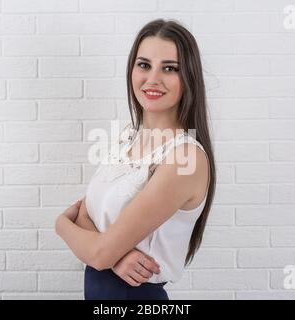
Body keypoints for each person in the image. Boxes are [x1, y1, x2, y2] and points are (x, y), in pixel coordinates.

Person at [55, 19, 216, 300]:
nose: (153, 78)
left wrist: (60, 225)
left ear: (188, 77)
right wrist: (116, 257)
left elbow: (99, 251)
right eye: (144, 65)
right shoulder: (129, 138)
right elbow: (85, 213)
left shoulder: (184, 158)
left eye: (169, 68)